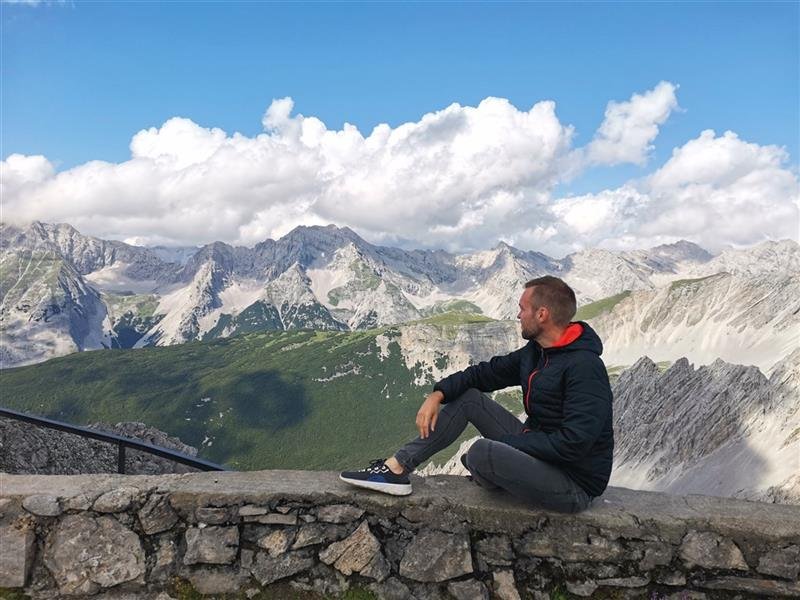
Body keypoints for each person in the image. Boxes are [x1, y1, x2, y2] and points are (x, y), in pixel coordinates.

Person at [339, 276, 614, 514]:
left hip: (573, 482)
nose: (518, 315)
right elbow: (483, 374)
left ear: (542, 314)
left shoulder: (584, 366)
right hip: (540, 453)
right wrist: (438, 394)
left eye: (522, 309)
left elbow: (574, 443)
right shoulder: (536, 352)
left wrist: (509, 445)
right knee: (469, 399)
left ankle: (487, 468)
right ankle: (396, 469)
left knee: (481, 452)